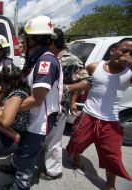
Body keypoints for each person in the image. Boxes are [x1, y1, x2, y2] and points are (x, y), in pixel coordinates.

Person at [0, 15, 63, 190]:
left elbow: (37, 99)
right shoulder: (36, 59)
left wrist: (7, 108)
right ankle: (15, 167)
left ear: (33, 39)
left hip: (40, 120)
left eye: (25, 39)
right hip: (33, 116)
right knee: (22, 147)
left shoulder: (45, 62)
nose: (23, 43)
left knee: (28, 153)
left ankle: (20, 185)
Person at [66, 38, 132, 190]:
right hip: (88, 115)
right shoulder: (94, 67)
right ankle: (76, 158)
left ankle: (110, 185)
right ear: (113, 51)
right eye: (124, 51)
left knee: (113, 156)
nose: (127, 55)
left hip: (111, 121)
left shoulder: (129, 73)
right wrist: (73, 101)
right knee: (77, 141)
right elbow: (82, 83)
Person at [38, 28, 90, 180]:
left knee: (54, 140)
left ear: (52, 41)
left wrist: (66, 88)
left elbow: (88, 81)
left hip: (59, 107)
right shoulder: (46, 56)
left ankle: (53, 171)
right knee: (45, 136)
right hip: (43, 105)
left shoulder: (70, 59)